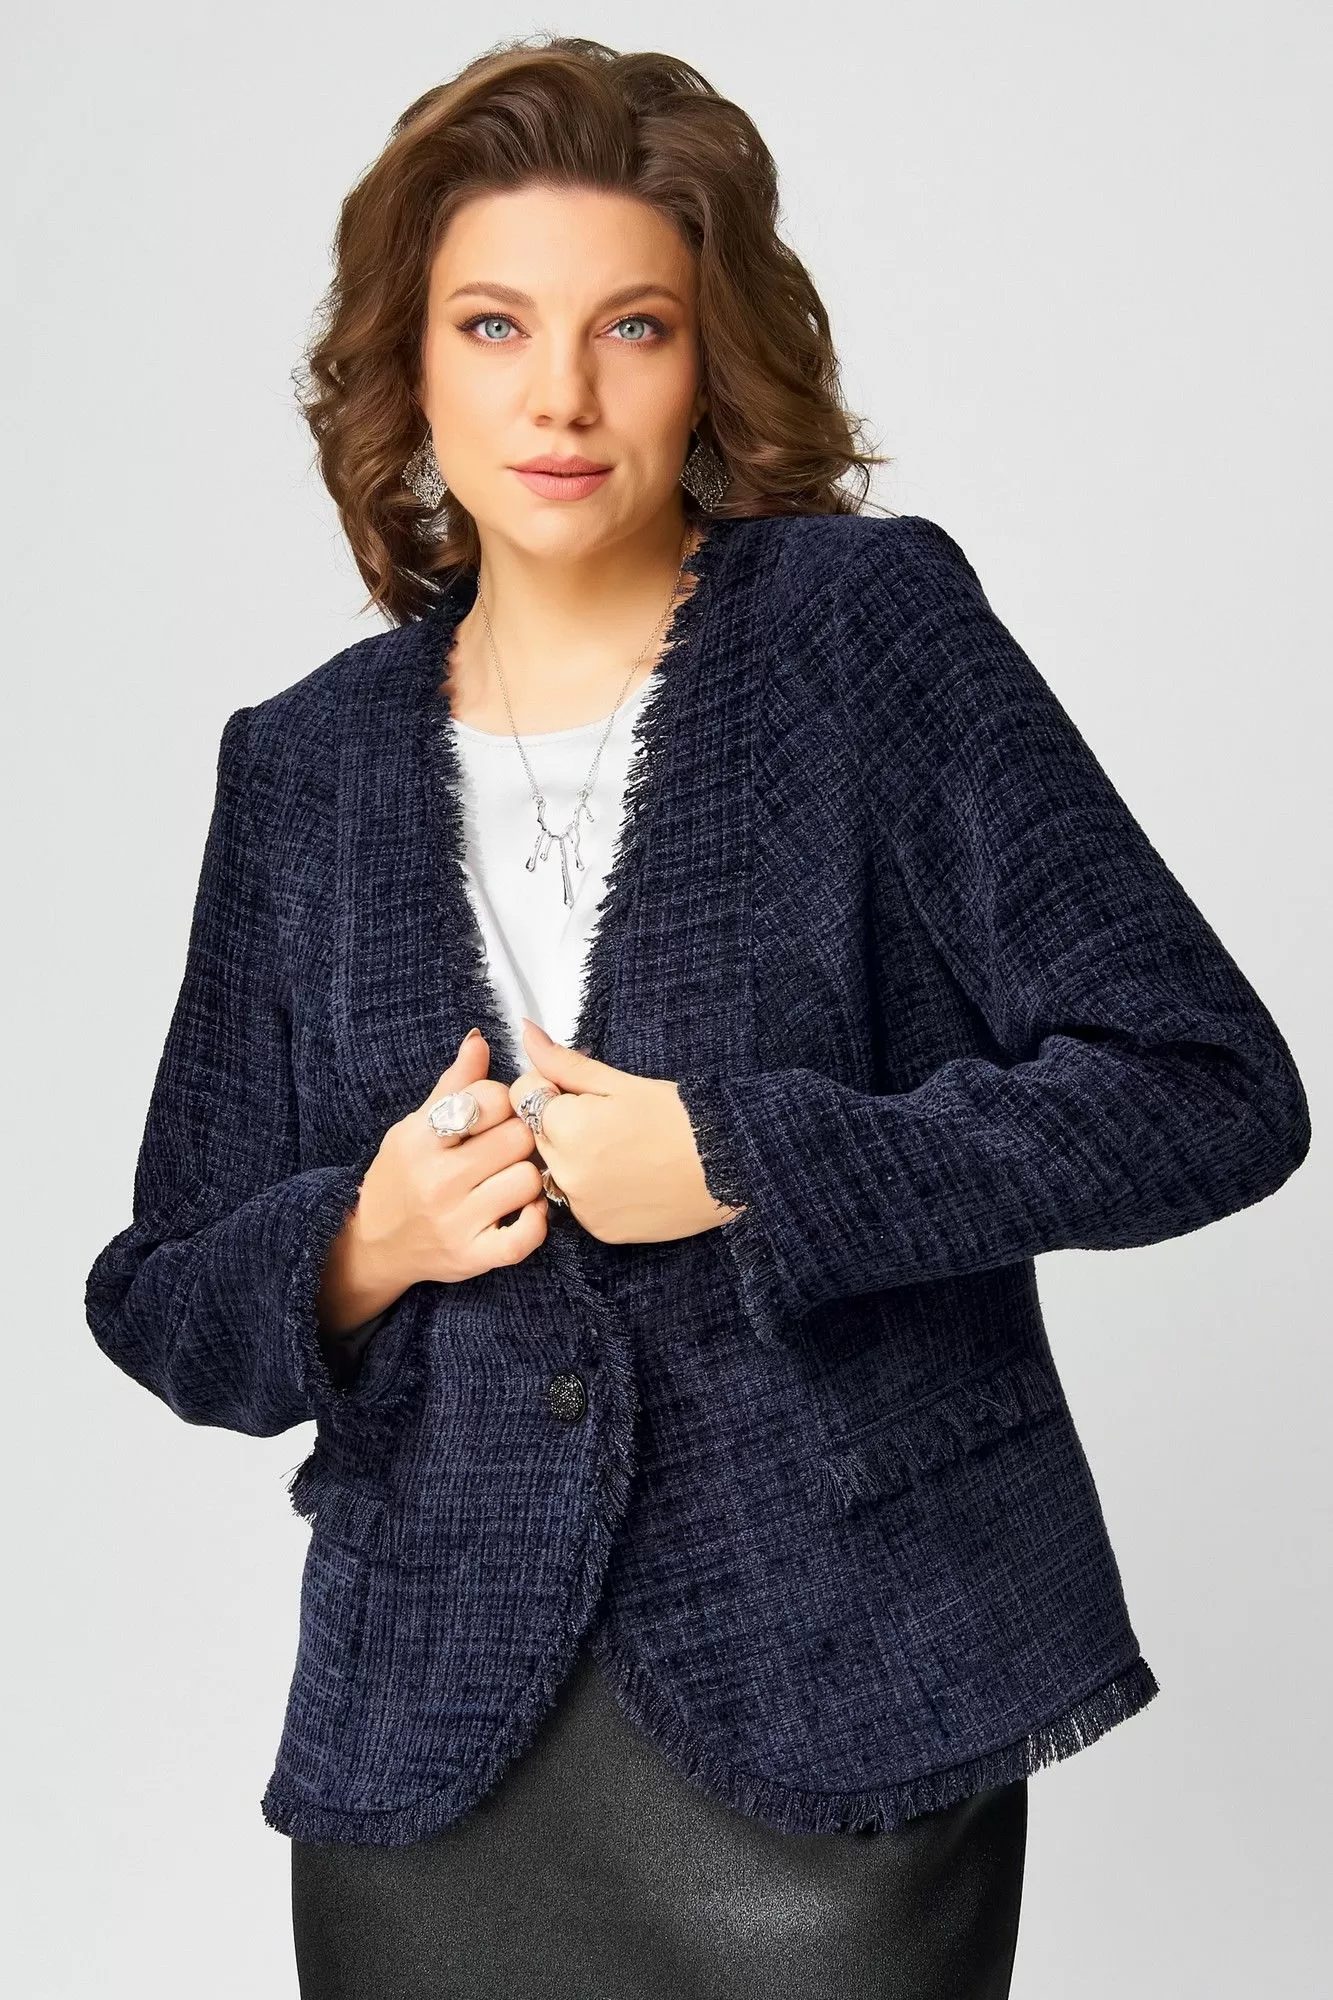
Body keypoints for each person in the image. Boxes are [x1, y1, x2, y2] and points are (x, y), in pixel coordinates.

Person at [83, 34, 1311, 2000]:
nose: (560, 395)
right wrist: (365, 1240)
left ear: (709, 357)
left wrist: (748, 1159)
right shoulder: (303, 766)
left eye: (632, 327)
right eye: (495, 325)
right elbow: (164, 1289)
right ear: (410, 365)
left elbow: (1206, 1091)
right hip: (429, 1750)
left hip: (845, 1705)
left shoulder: (866, 635)